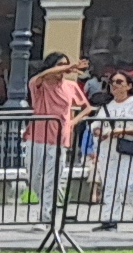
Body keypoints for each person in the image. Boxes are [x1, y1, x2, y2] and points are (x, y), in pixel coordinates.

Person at [23, 54, 86, 214]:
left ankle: (46, 215)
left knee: (53, 178)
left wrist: (72, 122)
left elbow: (87, 108)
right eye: (59, 65)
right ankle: (53, 204)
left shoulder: (70, 86)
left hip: (59, 137)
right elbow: (42, 75)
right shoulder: (39, 83)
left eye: (65, 65)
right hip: (37, 135)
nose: (63, 69)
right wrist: (69, 67)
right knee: (34, 177)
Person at [92, 70, 133, 229]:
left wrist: (118, 132)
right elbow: (96, 125)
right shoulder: (107, 106)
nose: (115, 85)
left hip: (129, 148)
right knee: (109, 184)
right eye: (112, 82)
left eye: (119, 82)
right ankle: (110, 219)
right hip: (108, 149)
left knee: (127, 185)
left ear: (129, 85)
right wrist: (99, 133)